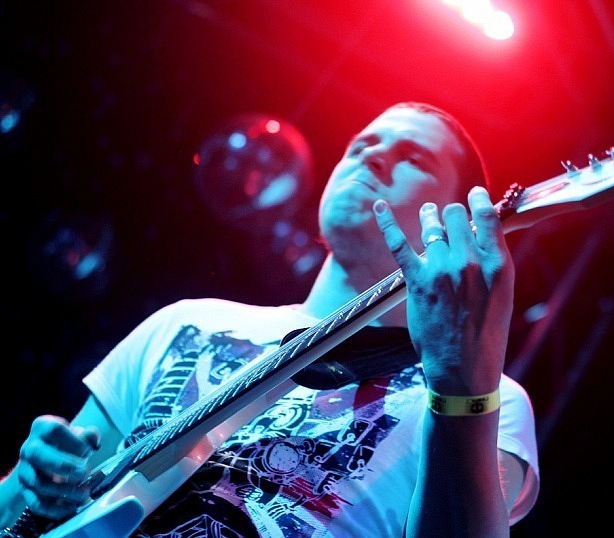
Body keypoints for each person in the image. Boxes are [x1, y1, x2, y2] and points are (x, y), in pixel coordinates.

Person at [0, 102, 539, 537]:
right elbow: (27, 508)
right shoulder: (186, 320)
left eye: (413, 158)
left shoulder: (489, 399)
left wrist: (462, 387)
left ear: (460, 223)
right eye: (361, 144)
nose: (372, 156)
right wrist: (33, 481)